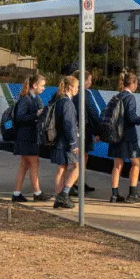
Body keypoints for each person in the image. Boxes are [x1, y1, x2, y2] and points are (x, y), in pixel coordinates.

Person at [12, 74, 51, 203]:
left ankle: (16, 193)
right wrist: (36, 114)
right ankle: (37, 192)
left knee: (24, 165)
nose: (44, 88)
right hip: (26, 137)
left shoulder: (35, 98)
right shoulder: (26, 99)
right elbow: (20, 117)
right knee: (34, 163)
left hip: (27, 137)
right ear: (34, 85)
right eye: (42, 85)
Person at [107, 72, 140, 203]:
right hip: (127, 136)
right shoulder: (130, 97)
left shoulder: (116, 96)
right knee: (136, 164)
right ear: (133, 84)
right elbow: (130, 117)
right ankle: (132, 194)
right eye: (136, 84)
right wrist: (139, 120)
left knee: (117, 165)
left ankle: (114, 195)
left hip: (115, 135)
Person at [50, 76, 80, 209]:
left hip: (59, 140)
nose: (78, 89)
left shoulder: (59, 100)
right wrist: (73, 143)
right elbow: (69, 125)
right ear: (70, 87)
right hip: (67, 142)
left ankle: (58, 197)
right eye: (76, 87)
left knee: (61, 169)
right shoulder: (67, 103)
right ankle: (65, 193)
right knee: (77, 168)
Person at [70, 71, 101, 196]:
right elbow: (91, 113)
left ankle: (79, 182)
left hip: (77, 129)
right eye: (89, 79)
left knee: (81, 157)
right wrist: (98, 131)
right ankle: (74, 183)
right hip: (83, 130)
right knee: (81, 158)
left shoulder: (74, 93)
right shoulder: (85, 94)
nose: (91, 82)